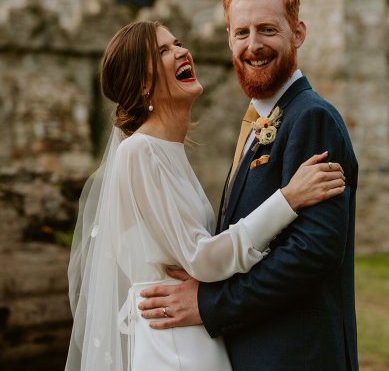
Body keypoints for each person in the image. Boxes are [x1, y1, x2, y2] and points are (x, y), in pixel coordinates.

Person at [65, 19, 346, 371]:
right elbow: (202, 258)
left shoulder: (167, 151)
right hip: (176, 348)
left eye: (177, 42)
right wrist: (288, 199)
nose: (182, 51)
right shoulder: (140, 152)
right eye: (163, 51)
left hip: (195, 337)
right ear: (142, 86)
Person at [139, 0, 359, 371]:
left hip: (296, 357)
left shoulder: (312, 118)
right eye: (242, 32)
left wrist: (209, 304)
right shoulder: (260, 123)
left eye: (268, 30)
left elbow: (314, 252)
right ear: (228, 39)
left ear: (298, 33)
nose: (253, 45)